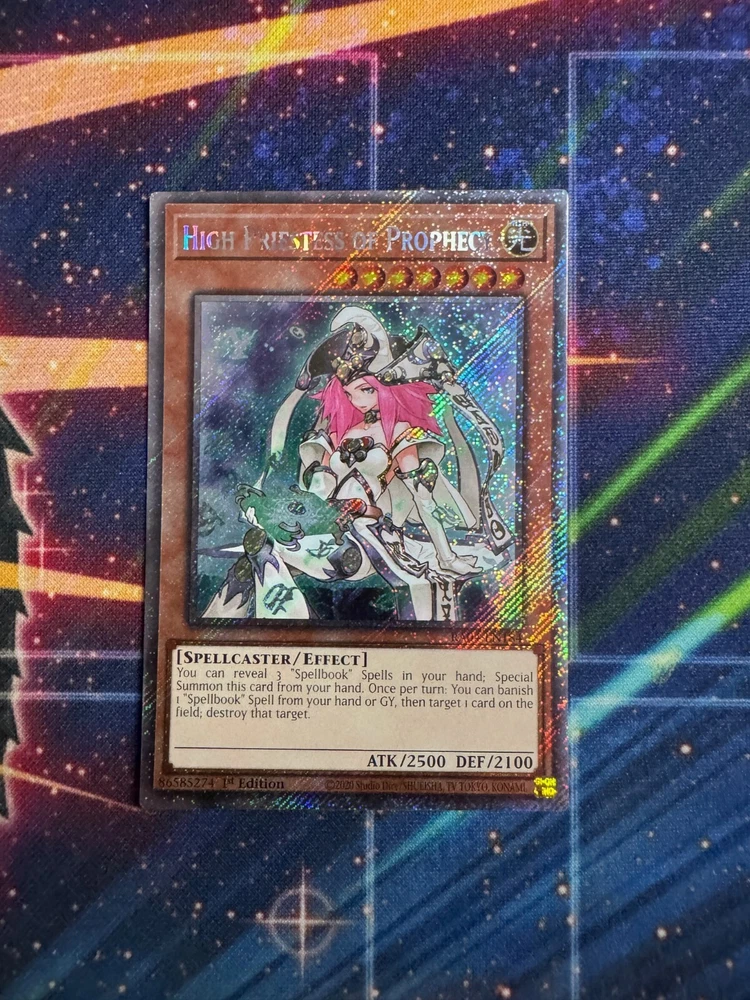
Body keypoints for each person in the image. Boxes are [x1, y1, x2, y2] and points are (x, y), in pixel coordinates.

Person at [202, 305, 512, 622]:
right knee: (254, 557)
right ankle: (235, 626)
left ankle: (289, 627)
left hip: (370, 531)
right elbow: (319, 485)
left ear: (389, 390)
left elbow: (423, 498)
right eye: (349, 393)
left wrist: (445, 555)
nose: (357, 400)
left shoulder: (401, 433)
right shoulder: (341, 434)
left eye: (365, 390)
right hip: (322, 522)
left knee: (326, 557)